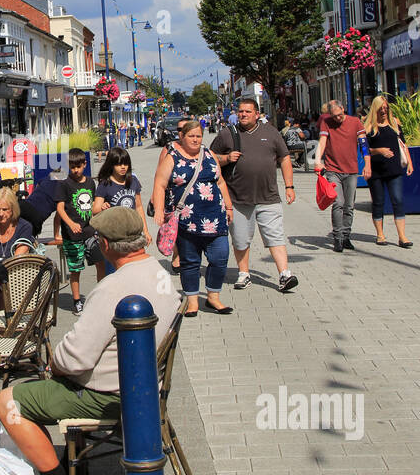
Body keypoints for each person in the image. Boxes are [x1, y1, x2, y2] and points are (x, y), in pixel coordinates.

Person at [0, 207, 180, 475]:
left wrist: (54, 363)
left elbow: (74, 358)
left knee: (7, 401)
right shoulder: (159, 273)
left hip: (109, 394)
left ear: (105, 245)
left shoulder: (113, 288)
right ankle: (71, 464)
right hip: (146, 388)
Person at [213, 99, 299, 293]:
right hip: (237, 197)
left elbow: (284, 158)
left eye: (248, 112)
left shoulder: (271, 132)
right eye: (240, 111)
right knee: (241, 239)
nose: (243, 114)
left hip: (268, 196)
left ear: (257, 114)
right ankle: (244, 274)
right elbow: (211, 156)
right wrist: (226, 158)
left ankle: (284, 274)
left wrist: (289, 186)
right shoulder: (227, 134)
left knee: (275, 236)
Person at [154, 118, 234, 317]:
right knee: (190, 261)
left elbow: (221, 181)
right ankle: (192, 301)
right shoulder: (172, 156)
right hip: (186, 220)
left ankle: (213, 297)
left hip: (215, 217)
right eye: (191, 136)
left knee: (220, 256)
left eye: (199, 136)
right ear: (182, 136)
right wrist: (159, 210)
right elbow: (160, 184)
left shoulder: (209, 154)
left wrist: (229, 206)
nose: (196, 139)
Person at [314, 99, 368, 253]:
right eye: (334, 116)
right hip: (333, 169)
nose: (337, 118)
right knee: (338, 202)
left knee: (349, 205)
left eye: (339, 115)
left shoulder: (355, 122)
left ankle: (346, 236)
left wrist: (367, 163)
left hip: (351, 170)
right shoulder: (327, 123)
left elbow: (363, 144)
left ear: (343, 109)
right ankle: (338, 237)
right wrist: (318, 161)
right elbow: (322, 142)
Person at [363, 95, 414, 247]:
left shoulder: (394, 123)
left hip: (394, 169)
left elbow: (403, 144)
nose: (384, 111)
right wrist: (379, 150)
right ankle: (380, 234)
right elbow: (364, 150)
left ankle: (402, 237)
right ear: (375, 109)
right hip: (376, 170)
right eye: (381, 109)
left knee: (397, 200)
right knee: (378, 202)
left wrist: (409, 163)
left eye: (386, 108)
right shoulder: (369, 127)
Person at [56, 148, 101, 315]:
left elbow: (94, 204)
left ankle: (100, 296)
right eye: (72, 167)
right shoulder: (64, 184)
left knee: (100, 262)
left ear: (85, 164)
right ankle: (76, 301)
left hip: (90, 231)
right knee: (75, 269)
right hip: (72, 234)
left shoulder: (90, 182)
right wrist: (70, 223)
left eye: (78, 166)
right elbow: (59, 209)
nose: (75, 170)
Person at [92, 147, 152, 244]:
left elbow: (139, 206)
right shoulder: (105, 184)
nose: (123, 167)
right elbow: (95, 210)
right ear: (111, 165)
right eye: (119, 164)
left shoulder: (133, 181)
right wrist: (102, 208)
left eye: (126, 164)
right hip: (114, 235)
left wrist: (145, 231)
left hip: (133, 231)